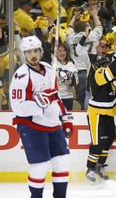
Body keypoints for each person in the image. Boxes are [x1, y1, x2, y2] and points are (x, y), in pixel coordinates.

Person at [9, 35, 73, 198]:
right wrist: (40, 102)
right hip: (32, 127)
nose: (33, 55)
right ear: (24, 54)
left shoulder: (49, 69)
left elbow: (56, 97)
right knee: (39, 166)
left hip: (53, 125)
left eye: (36, 50)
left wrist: (65, 117)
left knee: (62, 162)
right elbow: (18, 107)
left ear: (41, 51)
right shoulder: (21, 76)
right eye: (29, 52)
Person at [84, 49, 116, 183]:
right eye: (104, 64)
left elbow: (114, 78)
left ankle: (99, 166)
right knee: (98, 144)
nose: (105, 66)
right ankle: (90, 169)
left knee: (108, 140)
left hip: (108, 113)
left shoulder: (109, 76)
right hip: (97, 114)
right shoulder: (98, 73)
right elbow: (109, 72)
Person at [55, 43, 79, 110]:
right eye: (60, 51)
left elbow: (76, 81)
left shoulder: (71, 65)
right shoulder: (53, 63)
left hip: (67, 97)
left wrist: (70, 82)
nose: (62, 53)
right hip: (56, 97)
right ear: (56, 52)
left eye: (64, 50)